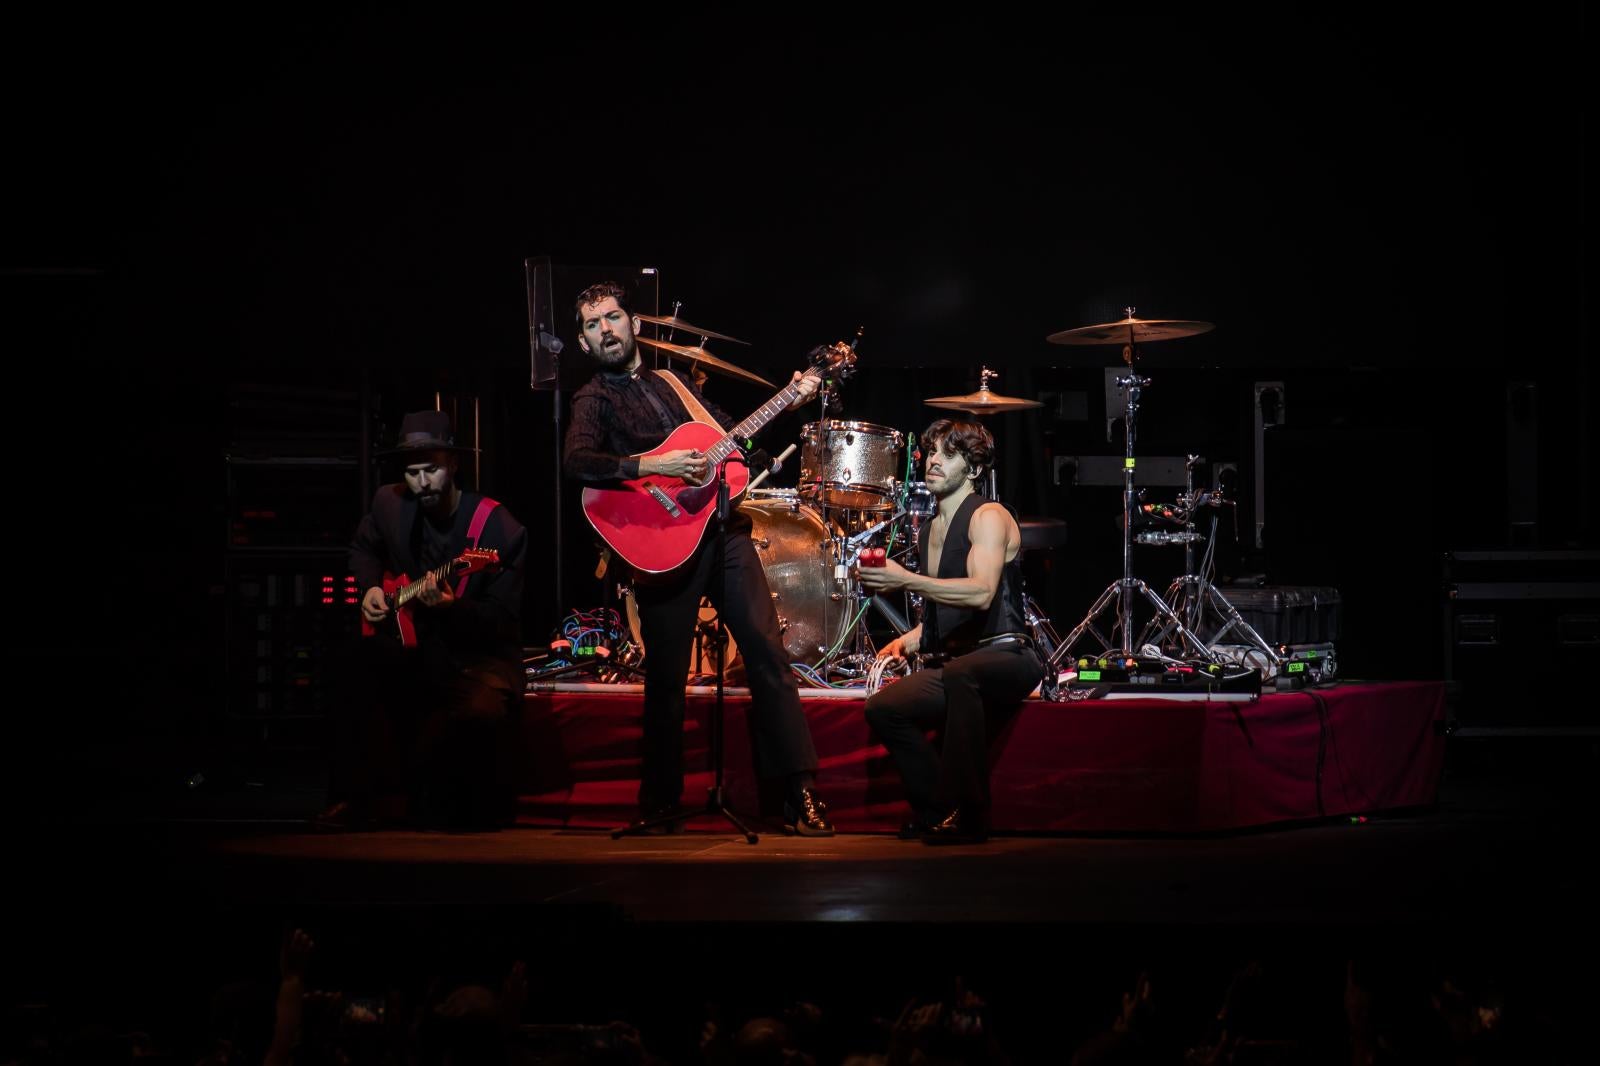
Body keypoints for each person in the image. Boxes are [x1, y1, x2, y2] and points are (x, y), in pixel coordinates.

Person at [562, 280, 833, 835]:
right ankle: (659, 803)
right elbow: (578, 462)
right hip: (662, 546)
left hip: (722, 531)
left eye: (613, 318)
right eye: (593, 325)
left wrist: (786, 402)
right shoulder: (594, 398)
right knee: (666, 678)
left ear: (634, 324)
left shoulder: (674, 382)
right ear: (585, 343)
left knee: (766, 651)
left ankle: (799, 794)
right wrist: (655, 467)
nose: (606, 330)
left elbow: (732, 442)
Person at [314, 410, 528, 830]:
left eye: (432, 469)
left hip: (479, 658)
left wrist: (452, 608)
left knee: (477, 712)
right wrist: (371, 587)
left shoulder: (497, 528)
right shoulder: (390, 504)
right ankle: (351, 800)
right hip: (418, 648)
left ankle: (451, 808)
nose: (422, 482)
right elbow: (362, 548)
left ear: (453, 466)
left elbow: (502, 622)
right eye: (413, 473)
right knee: (352, 665)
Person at [859, 418, 1043, 844]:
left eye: (949, 453)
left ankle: (971, 813)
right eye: (932, 452)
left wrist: (905, 579)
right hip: (962, 664)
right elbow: (948, 611)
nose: (933, 460)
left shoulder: (988, 516)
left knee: (963, 673)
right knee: (883, 708)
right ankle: (937, 809)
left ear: (973, 470)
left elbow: (980, 594)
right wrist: (911, 640)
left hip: (1009, 655)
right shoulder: (928, 531)